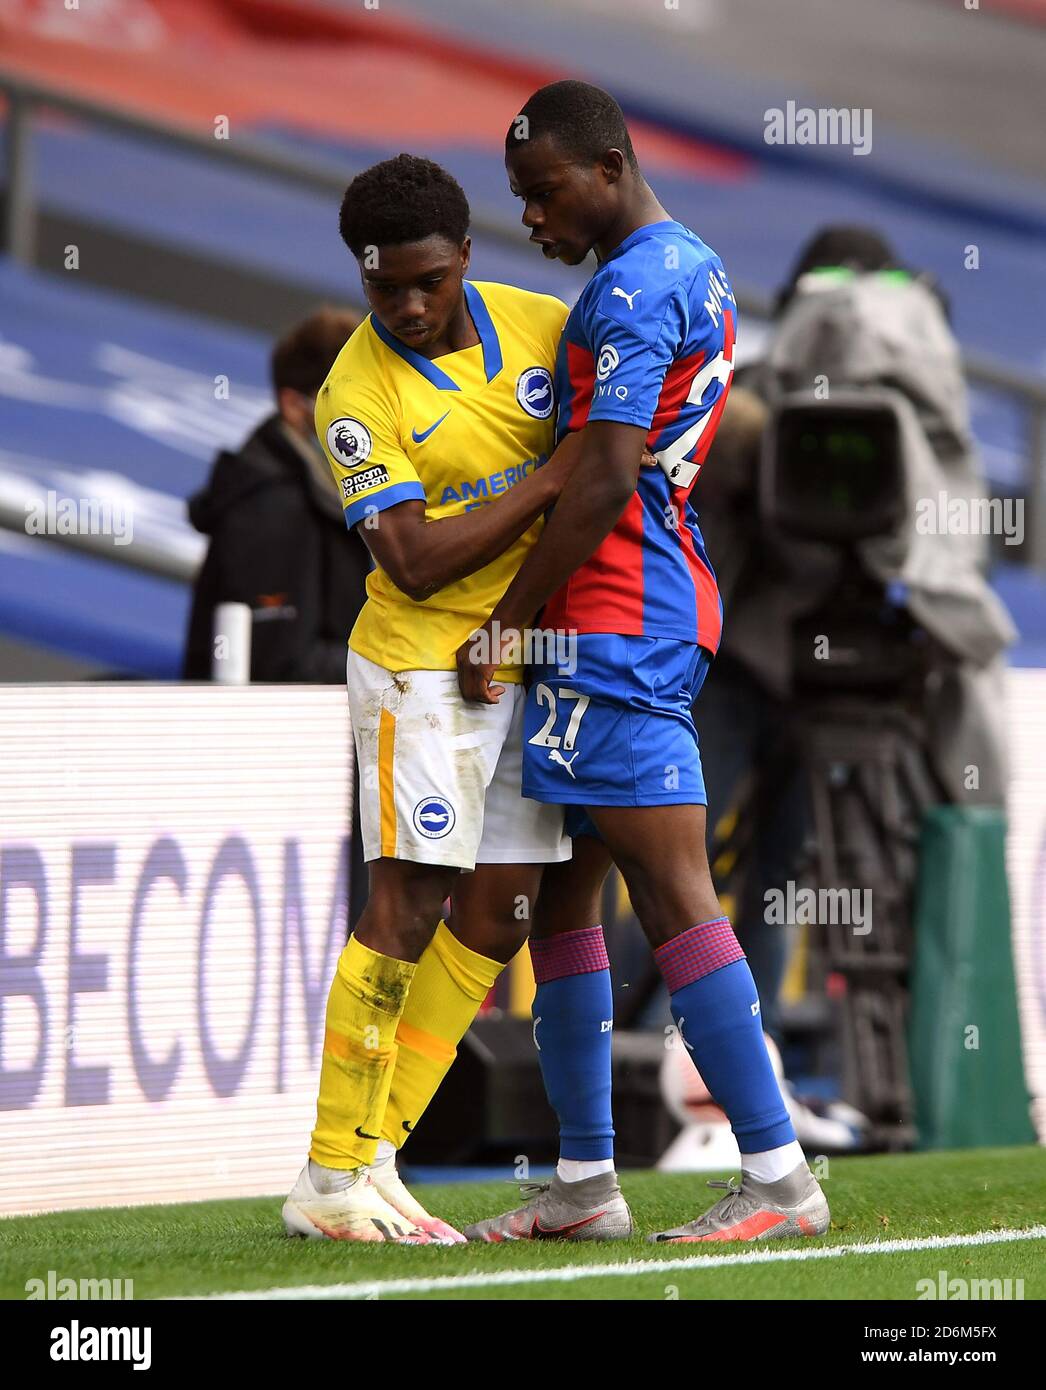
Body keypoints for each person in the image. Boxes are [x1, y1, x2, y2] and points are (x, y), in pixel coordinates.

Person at [457, 80, 830, 1243]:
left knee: (673, 895)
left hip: (614, 616)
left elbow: (604, 475)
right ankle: (584, 1180)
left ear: (608, 166)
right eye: (519, 195)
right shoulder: (694, 264)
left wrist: (511, 618)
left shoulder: (630, 290)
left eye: (543, 190)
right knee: (563, 896)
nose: (528, 216)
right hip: (633, 602)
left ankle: (776, 1174)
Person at [281, 154, 588, 1244]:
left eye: (424, 281)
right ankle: (326, 1173)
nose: (405, 307)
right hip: (419, 665)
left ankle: (379, 1152)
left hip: (528, 657)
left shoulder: (544, 327)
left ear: (465, 254)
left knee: (502, 905)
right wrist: (543, 482)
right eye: (381, 288)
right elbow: (407, 557)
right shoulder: (353, 395)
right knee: (405, 903)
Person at [183, 308, 370, 682]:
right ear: (293, 406)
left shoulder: (332, 492)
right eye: (348, 402)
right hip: (271, 737)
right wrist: (398, 661)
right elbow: (280, 666)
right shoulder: (272, 509)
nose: (368, 420)